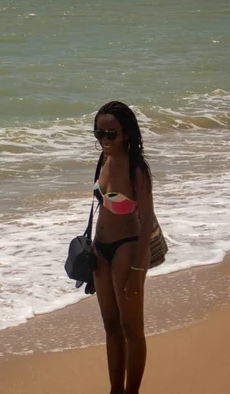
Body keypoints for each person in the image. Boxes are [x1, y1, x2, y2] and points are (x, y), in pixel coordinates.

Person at [91, 101, 155, 394]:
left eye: (111, 134)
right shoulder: (102, 162)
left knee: (132, 329)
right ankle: (115, 389)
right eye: (99, 133)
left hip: (127, 250)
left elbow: (147, 223)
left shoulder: (136, 169)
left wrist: (137, 269)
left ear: (127, 133)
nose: (105, 140)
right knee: (110, 326)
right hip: (100, 250)